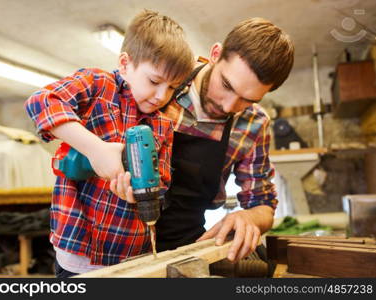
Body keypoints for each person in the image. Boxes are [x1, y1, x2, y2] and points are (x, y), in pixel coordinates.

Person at [24, 10, 194, 277]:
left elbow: (160, 180)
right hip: (79, 250)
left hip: (131, 251)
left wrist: (138, 195)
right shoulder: (98, 85)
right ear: (125, 64)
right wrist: (96, 149)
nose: (162, 95)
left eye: (172, 87)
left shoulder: (163, 125)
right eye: (154, 81)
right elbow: (42, 101)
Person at [119, 17, 294, 262]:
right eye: (226, 85)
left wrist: (249, 217)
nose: (229, 105)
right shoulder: (163, 79)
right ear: (215, 53)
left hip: (187, 246)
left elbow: (264, 204)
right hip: (115, 244)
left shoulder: (254, 123)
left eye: (248, 99)